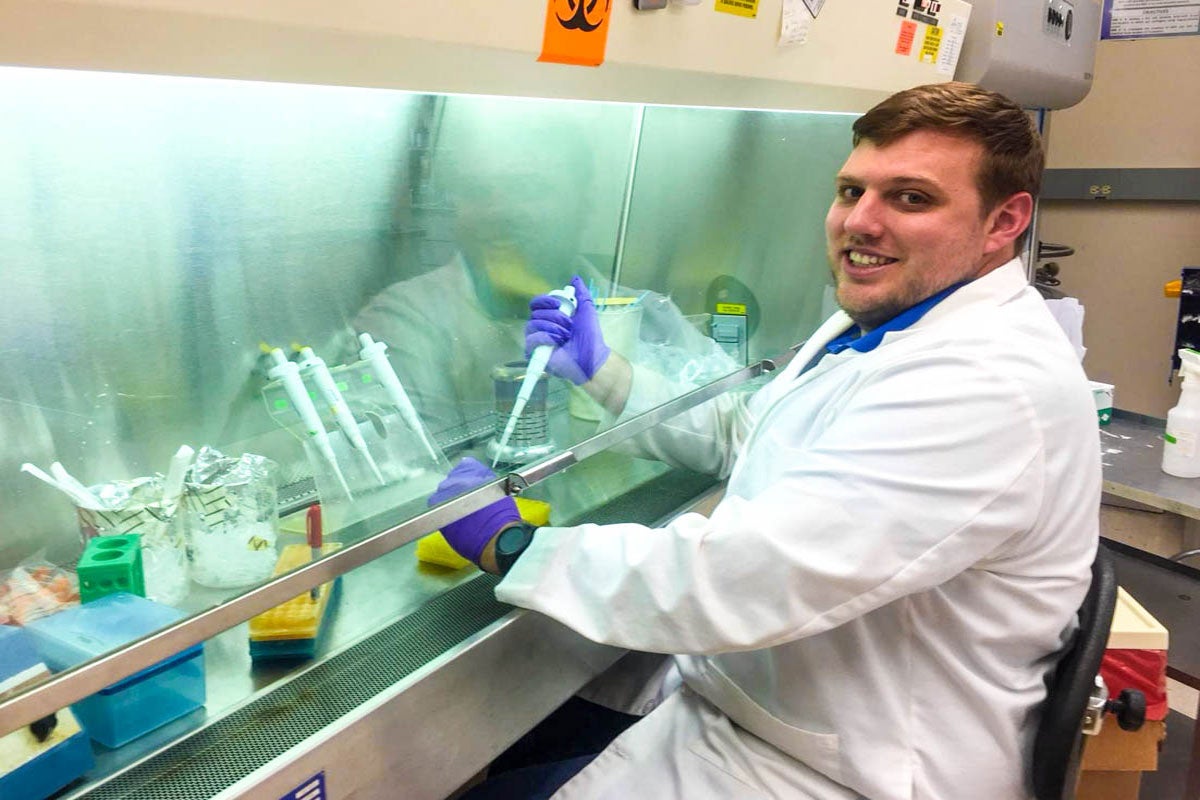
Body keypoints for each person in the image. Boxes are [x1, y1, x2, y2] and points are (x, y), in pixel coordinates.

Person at [429, 81, 1100, 799]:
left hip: (846, 772)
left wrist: (519, 547)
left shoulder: (988, 383)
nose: (860, 223)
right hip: (767, 715)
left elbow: (746, 575)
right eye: (850, 192)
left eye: (910, 198)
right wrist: (605, 374)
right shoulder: (885, 325)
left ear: (1005, 221)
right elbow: (749, 432)